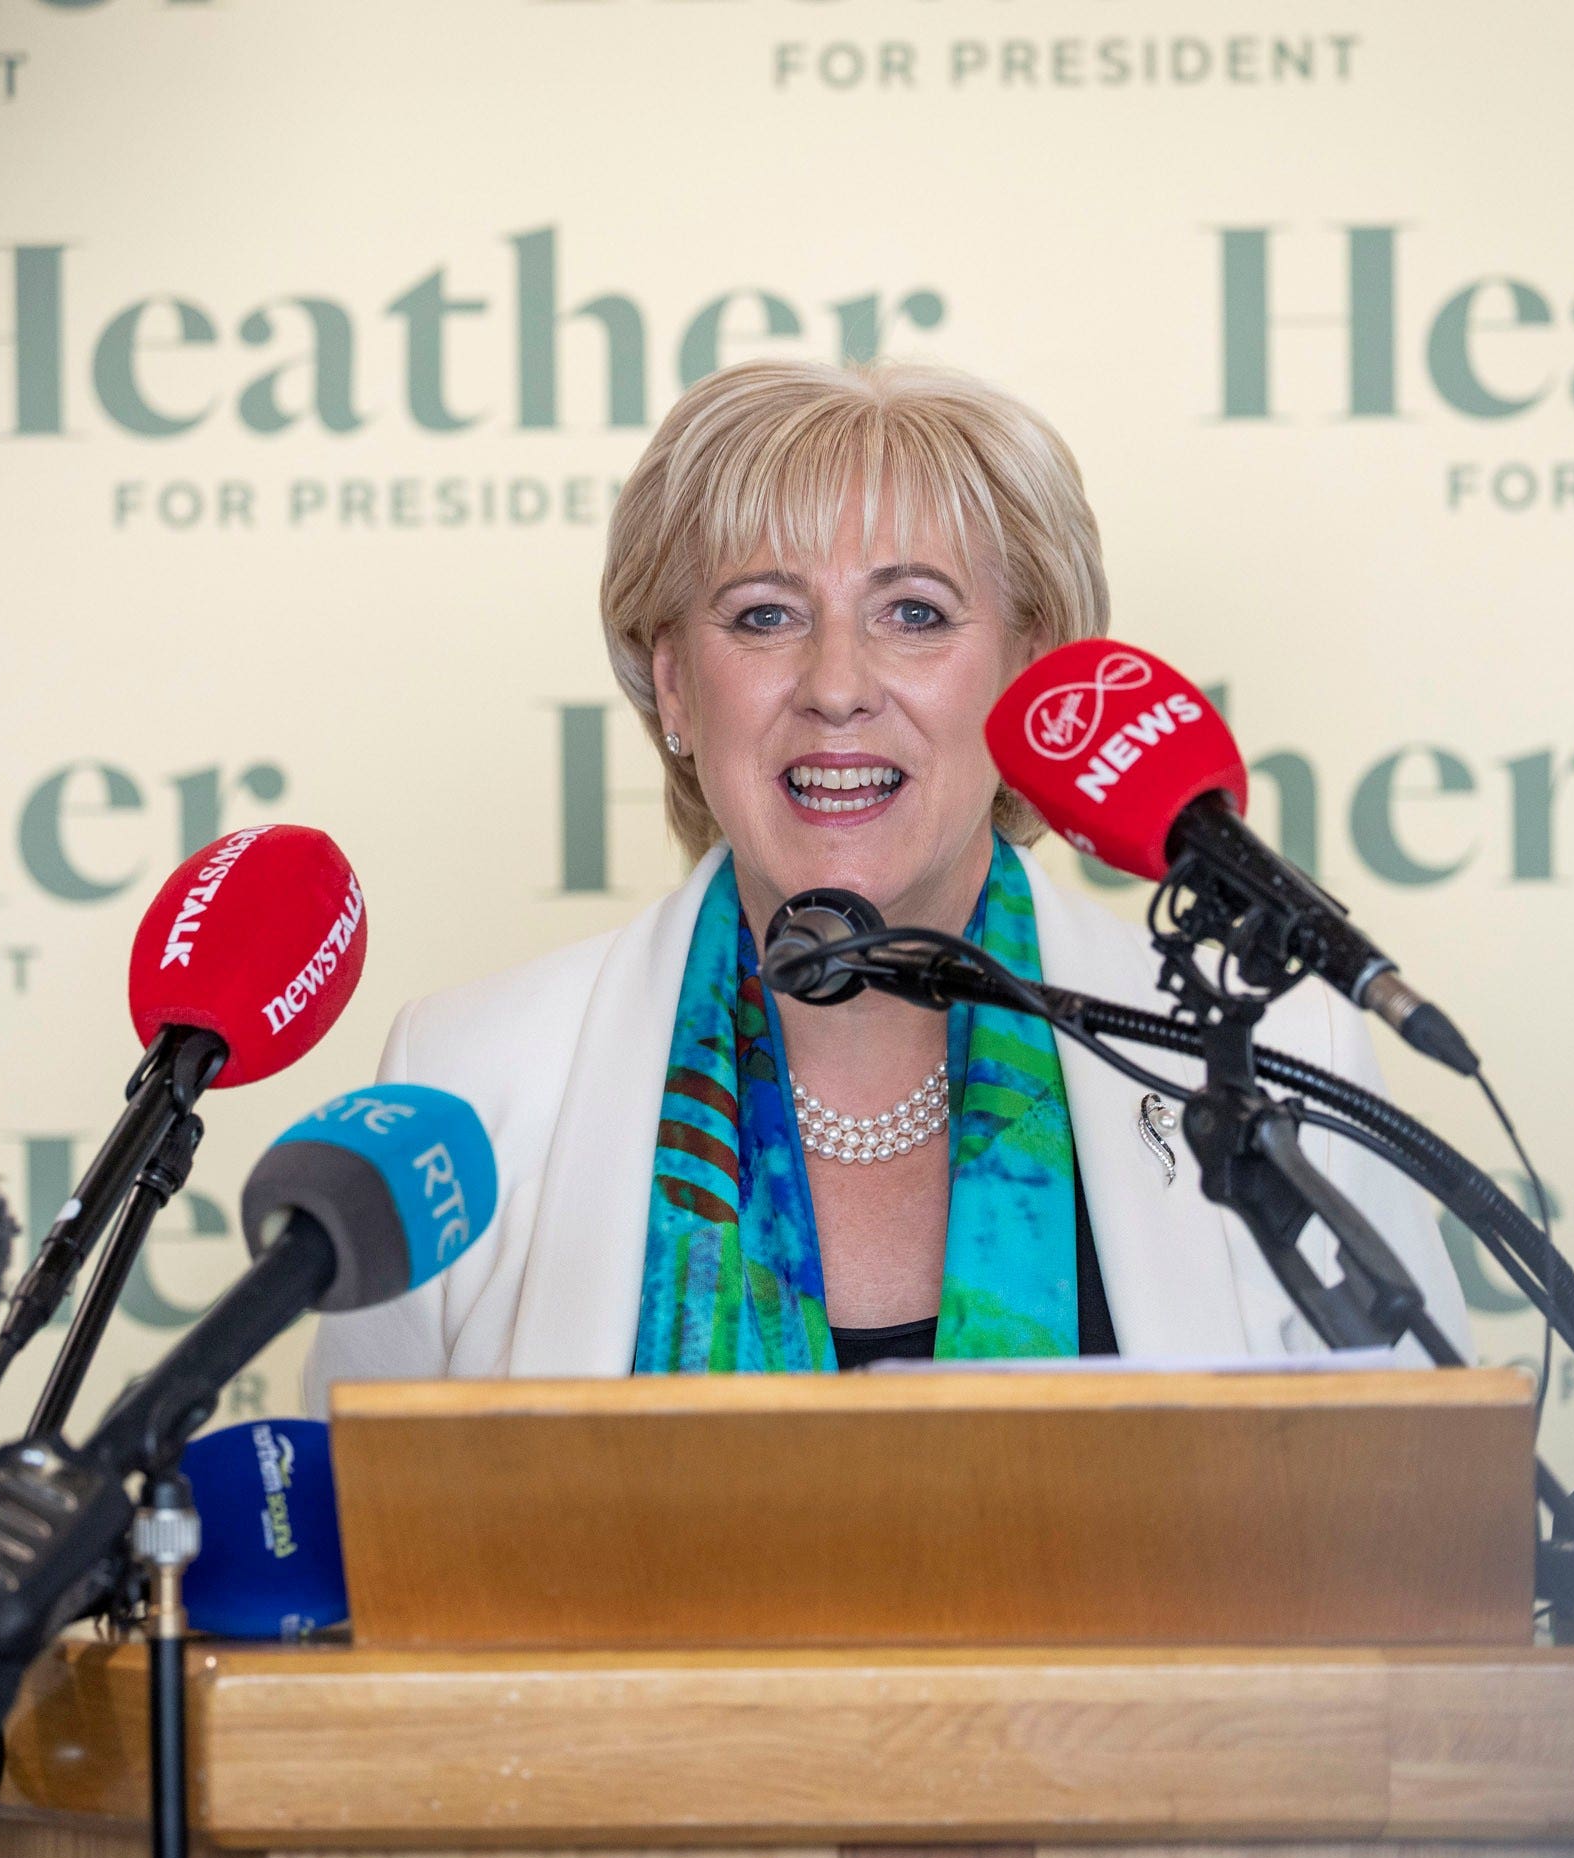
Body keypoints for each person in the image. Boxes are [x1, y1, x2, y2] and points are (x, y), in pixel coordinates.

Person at [305, 357, 1465, 1396]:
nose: (837, 686)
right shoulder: (469, 1086)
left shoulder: (1282, 1063)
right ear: (675, 688)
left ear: (1029, 675)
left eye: (914, 613)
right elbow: (349, 1549)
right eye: (765, 615)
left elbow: (1422, 1525)